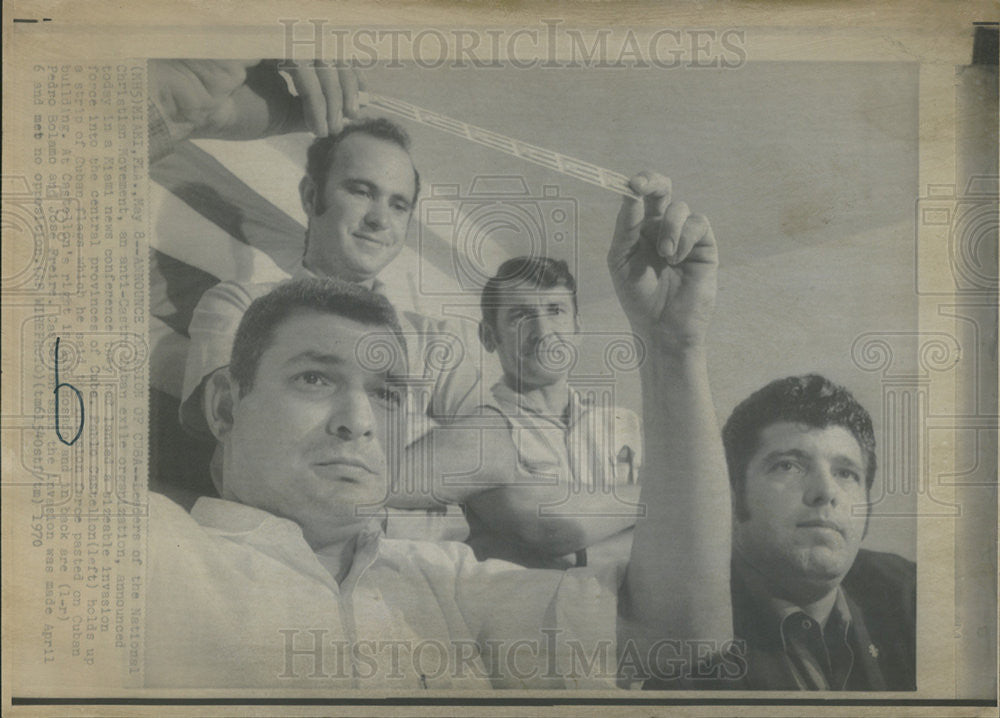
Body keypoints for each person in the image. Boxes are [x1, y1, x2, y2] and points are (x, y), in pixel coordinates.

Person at [146, 170, 734, 689]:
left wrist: (672, 347)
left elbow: (677, 637)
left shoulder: (443, 583)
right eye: (314, 380)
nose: (358, 422)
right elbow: (553, 523)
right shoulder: (147, 552)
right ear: (225, 409)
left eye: (385, 393)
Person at [148, 61, 482, 515]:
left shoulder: (435, 338)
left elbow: (509, 444)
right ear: (310, 197)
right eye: (361, 191)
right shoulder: (238, 304)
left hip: (421, 569)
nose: (380, 219)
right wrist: (441, 455)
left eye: (398, 204)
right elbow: (251, 445)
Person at [644, 374, 916, 690]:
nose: (826, 492)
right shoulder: (680, 629)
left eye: (846, 473)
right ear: (731, 495)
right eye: (788, 466)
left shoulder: (909, 598)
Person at [393, 256, 644, 569]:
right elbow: (545, 525)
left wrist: (585, 555)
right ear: (488, 337)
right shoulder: (476, 423)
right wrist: (653, 497)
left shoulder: (624, 425)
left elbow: (675, 528)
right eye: (520, 315)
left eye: (555, 310)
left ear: (578, 327)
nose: (543, 330)